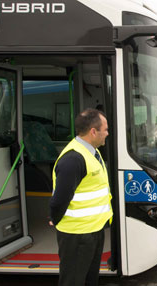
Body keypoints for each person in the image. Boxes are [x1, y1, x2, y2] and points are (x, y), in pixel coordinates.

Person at [49, 108, 113, 286]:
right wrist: (54, 218)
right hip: (77, 236)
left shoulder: (92, 151)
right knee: (73, 281)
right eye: (105, 129)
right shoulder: (73, 159)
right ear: (93, 131)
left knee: (89, 279)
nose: (107, 133)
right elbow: (60, 198)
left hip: (93, 230)